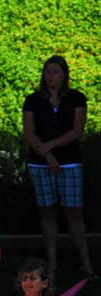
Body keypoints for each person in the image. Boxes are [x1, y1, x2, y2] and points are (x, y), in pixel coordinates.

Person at [22, 55, 95, 280]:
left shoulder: (76, 99)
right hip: (39, 163)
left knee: (74, 213)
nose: (51, 76)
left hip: (70, 162)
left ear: (64, 75)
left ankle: (86, 265)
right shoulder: (33, 100)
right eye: (47, 72)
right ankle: (52, 265)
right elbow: (29, 132)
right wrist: (47, 155)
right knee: (48, 212)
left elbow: (77, 131)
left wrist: (51, 148)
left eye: (55, 72)